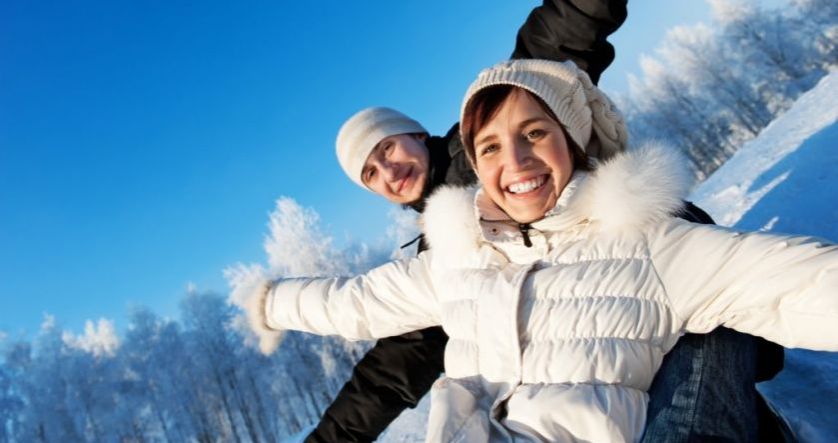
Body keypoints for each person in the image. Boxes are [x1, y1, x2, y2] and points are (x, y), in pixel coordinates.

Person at [242, 59, 837, 442]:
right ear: (476, 165)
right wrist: (270, 303)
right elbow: (359, 305)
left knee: (709, 333)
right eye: (492, 148)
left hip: (663, 371)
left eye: (533, 135)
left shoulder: (642, 237)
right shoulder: (453, 250)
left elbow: (801, 283)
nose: (517, 163)